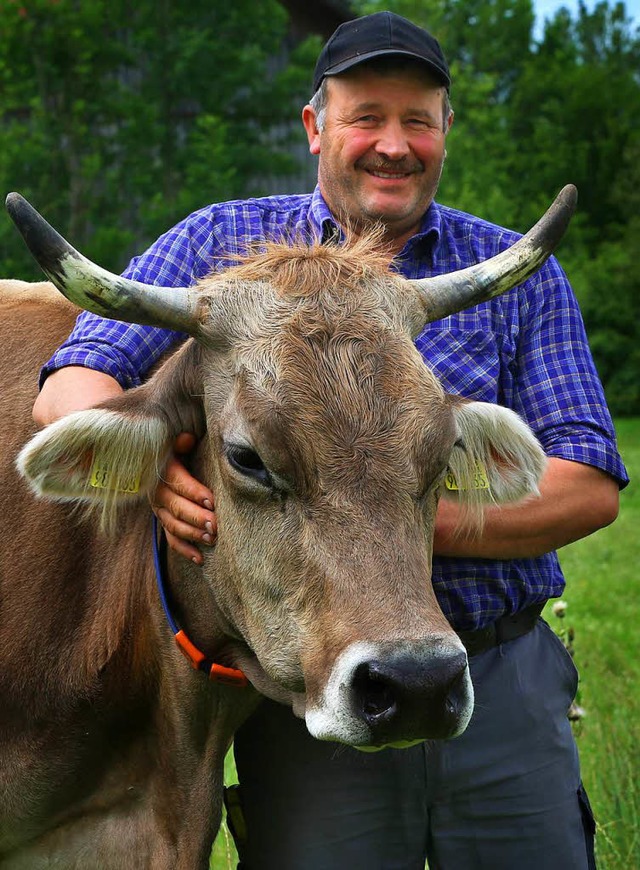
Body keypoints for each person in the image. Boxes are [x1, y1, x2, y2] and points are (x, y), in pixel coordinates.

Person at [32, 11, 627, 870]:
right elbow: (74, 377)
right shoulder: (217, 244)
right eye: (366, 118)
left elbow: (589, 481)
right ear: (317, 128)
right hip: (308, 692)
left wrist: (399, 510)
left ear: (446, 132)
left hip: (495, 681)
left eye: (418, 120)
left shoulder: (509, 272)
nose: (394, 144)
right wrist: (156, 466)